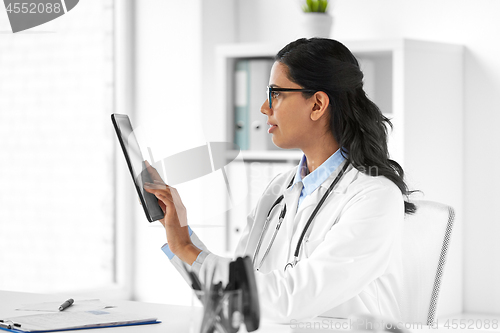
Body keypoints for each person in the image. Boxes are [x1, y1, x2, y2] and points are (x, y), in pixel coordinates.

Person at [144, 38, 415, 323]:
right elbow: (235, 298)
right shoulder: (278, 189)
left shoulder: (375, 196)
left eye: (275, 93)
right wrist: (180, 233)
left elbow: (288, 301)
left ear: (318, 104)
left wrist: (187, 249)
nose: (264, 107)